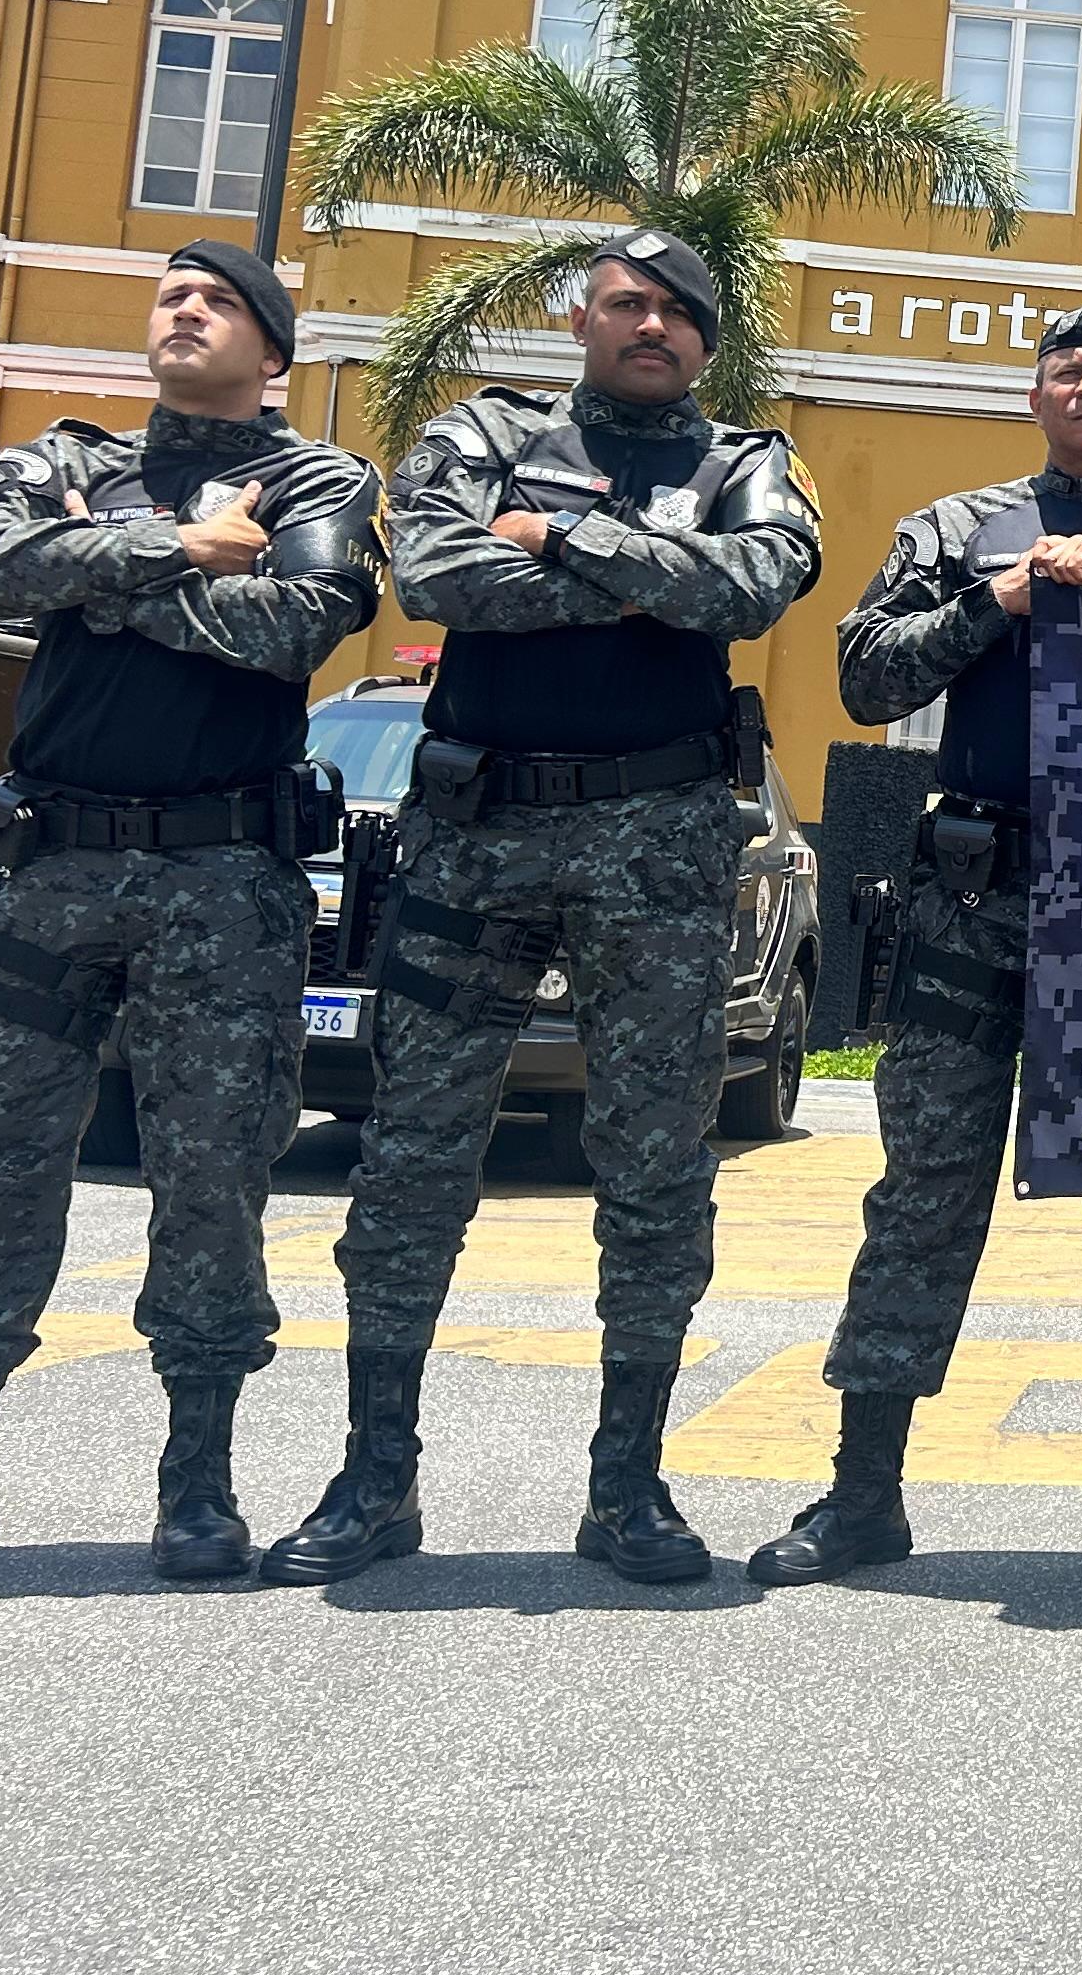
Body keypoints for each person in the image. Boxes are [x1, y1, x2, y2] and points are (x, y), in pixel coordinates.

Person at [0, 245, 382, 1580]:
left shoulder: (319, 481)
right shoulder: (65, 453)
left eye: (217, 301)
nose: (183, 310)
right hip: (42, 872)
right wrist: (181, 549)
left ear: (272, 351)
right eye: (171, 293)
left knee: (215, 1180)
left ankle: (201, 1488)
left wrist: (96, 573)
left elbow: (295, 622)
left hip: (221, 881)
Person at [266, 230, 820, 1587]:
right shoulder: (482, 433)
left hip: (662, 847)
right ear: (585, 316)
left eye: (680, 313)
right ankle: (373, 1480)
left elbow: (755, 589)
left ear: (706, 341)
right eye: (629, 303)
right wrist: (642, 581)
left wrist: (564, 536)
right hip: (481, 833)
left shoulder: (746, 461)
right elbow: (438, 580)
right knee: (412, 1161)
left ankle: (628, 1490)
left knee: (655, 1174)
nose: (653, 326)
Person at [753, 309, 1082, 1594]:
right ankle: (862, 1492)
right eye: (1069, 370)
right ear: (1039, 399)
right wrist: (1004, 596)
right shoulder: (956, 530)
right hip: (970, 896)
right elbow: (867, 679)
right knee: (923, 1196)